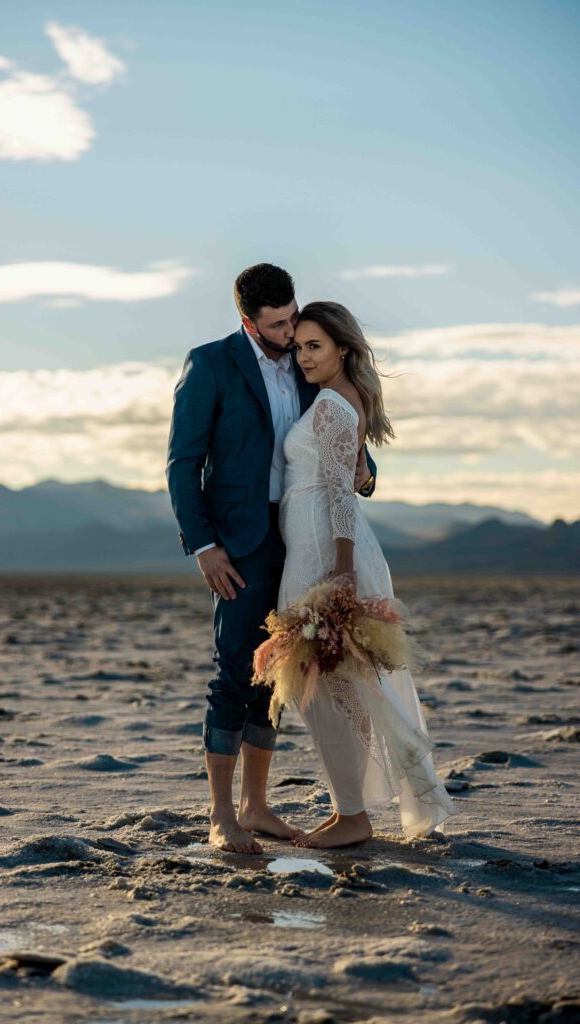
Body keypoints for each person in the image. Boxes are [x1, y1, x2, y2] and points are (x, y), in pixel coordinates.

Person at [166, 266, 377, 854]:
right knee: (236, 668)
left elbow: (344, 429)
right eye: (278, 324)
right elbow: (183, 461)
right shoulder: (210, 364)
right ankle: (220, 816)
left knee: (278, 673)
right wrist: (203, 545)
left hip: (302, 534)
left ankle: (256, 807)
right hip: (240, 542)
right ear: (247, 321)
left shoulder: (312, 360)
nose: (290, 333)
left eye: (293, 318)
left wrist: (366, 472)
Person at [278, 301, 455, 848]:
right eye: (300, 346)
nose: (304, 357)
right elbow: (350, 479)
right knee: (337, 685)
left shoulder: (332, 406)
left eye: (316, 347)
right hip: (317, 545)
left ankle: (353, 814)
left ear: (343, 350)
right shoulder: (339, 400)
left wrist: (343, 571)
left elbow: (339, 496)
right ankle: (347, 809)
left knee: (329, 685)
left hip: (324, 554)